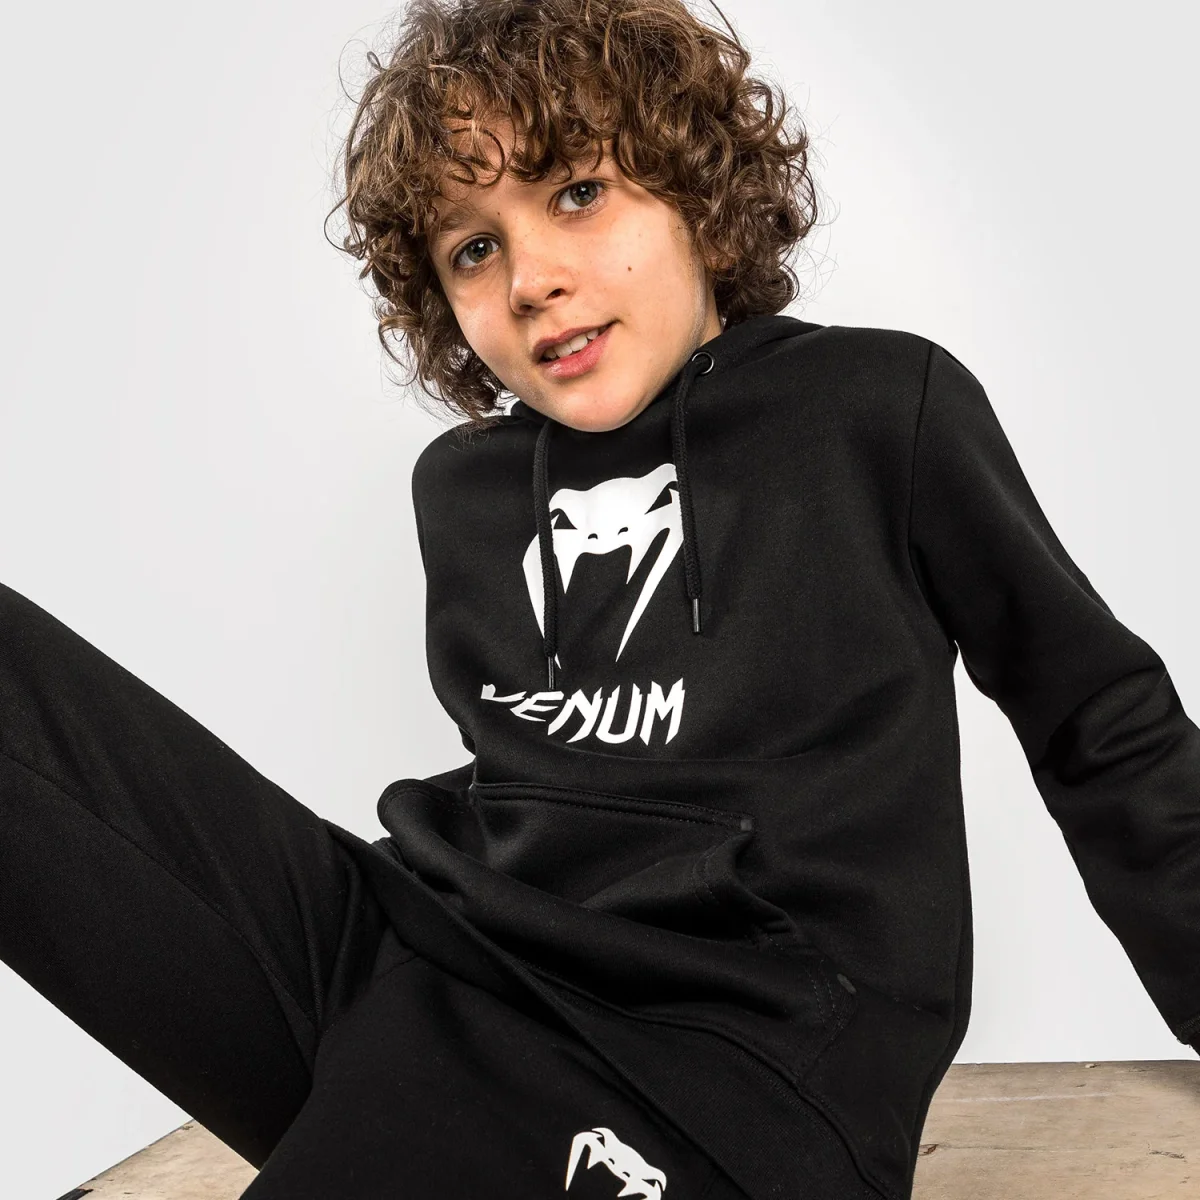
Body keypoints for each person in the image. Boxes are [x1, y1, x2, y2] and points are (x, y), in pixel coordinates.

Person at [2, 1, 1197, 1198]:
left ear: (697, 192)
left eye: (576, 193)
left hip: (723, 1064)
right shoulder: (462, 489)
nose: (532, 280)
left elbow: (1101, 723)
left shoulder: (879, 408)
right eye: (474, 249)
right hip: (428, 956)